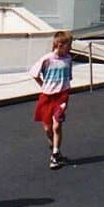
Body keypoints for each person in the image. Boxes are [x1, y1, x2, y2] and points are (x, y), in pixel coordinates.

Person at [30, 31, 74, 169]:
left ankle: (54, 155)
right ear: (60, 45)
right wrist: (43, 85)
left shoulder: (68, 59)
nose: (70, 48)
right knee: (48, 127)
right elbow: (34, 73)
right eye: (68, 45)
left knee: (56, 124)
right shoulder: (47, 59)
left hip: (62, 95)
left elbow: (69, 77)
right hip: (47, 96)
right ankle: (55, 147)